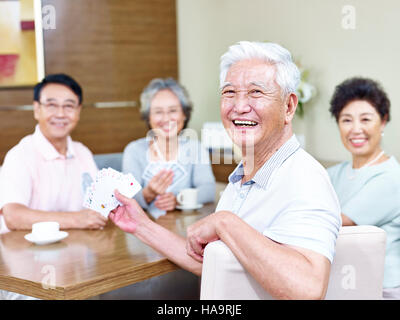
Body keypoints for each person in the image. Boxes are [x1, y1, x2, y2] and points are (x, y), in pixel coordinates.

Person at [110, 41, 341, 299]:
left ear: (288, 107)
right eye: (229, 92)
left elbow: (307, 289)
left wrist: (224, 222)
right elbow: (216, 264)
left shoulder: (304, 178)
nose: (239, 106)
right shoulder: (242, 178)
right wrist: (140, 225)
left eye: (256, 92)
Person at [0, 73, 107, 232]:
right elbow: (13, 216)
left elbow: (100, 203)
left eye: (69, 106)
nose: (61, 114)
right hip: (26, 250)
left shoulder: (82, 152)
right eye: (51, 105)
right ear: (37, 109)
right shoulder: (19, 156)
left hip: (78, 247)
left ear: (78, 111)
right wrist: (77, 219)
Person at [327, 77, 400, 299]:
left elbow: (336, 223)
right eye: (346, 120)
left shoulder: (392, 178)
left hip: (380, 289)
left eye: (366, 119)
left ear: (383, 121)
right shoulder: (333, 173)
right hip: (339, 281)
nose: (356, 129)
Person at [122, 78, 216, 218]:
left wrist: (178, 199)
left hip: (185, 226)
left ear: (184, 115)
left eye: (173, 110)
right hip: (144, 227)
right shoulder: (134, 150)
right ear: (148, 117)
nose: (166, 118)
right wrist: (148, 194)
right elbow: (125, 199)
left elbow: (209, 190)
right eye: (158, 112)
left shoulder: (195, 148)